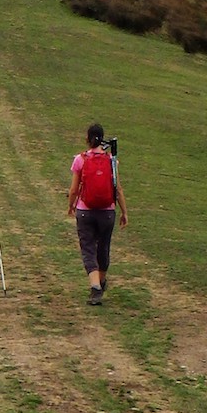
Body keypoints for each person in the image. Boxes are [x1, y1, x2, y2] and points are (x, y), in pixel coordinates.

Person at [67, 122, 128, 306]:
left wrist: (71, 205)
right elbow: (118, 189)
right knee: (103, 247)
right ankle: (101, 281)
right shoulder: (112, 160)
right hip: (107, 212)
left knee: (88, 248)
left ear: (88, 138)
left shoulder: (80, 159)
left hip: (85, 212)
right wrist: (124, 211)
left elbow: (74, 189)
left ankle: (95, 288)